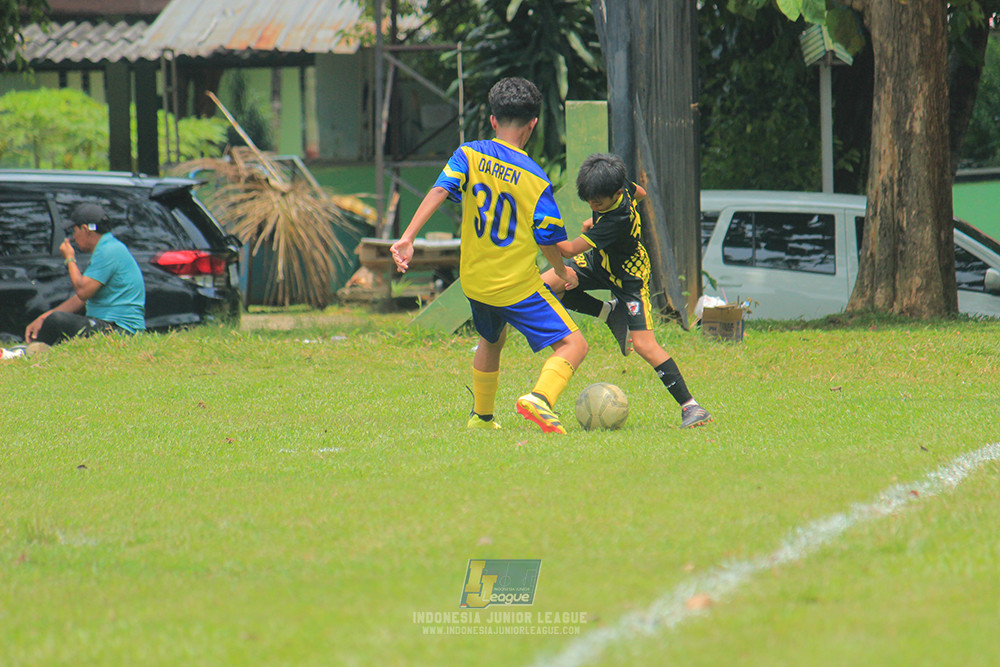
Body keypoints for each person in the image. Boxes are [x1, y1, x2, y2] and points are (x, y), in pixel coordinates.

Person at [390, 77, 588, 434]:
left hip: (476, 282)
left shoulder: (468, 154)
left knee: (492, 338)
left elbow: (440, 189)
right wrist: (563, 271)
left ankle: (481, 418)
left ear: (494, 120)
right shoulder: (536, 180)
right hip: (515, 287)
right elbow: (547, 238)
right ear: (533, 124)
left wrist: (408, 237)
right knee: (574, 344)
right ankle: (540, 399)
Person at [540, 152, 712, 428]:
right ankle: (609, 313)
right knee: (546, 286)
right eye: (589, 201)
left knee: (645, 345)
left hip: (628, 277)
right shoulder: (619, 187)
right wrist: (593, 223)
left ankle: (691, 407)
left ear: (616, 193)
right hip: (600, 262)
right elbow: (641, 192)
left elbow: (568, 249)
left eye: (597, 203)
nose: (593, 205)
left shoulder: (615, 219)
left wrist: (542, 226)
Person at [24, 203, 146, 347]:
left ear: (85, 229)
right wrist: (44, 317)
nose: (74, 237)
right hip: (111, 325)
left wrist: (69, 258)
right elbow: (81, 299)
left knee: (57, 320)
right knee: (53, 318)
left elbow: (82, 291)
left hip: (120, 329)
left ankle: (33, 353)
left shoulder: (108, 251)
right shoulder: (109, 247)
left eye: (75, 231)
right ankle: (34, 351)